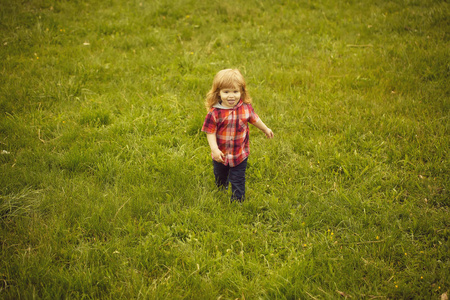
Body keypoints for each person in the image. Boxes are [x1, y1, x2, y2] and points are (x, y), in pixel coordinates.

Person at [201, 69, 274, 202]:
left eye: (235, 92)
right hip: (221, 154)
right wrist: (214, 149)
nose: (231, 96)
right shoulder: (215, 112)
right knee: (220, 174)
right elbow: (210, 131)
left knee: (238, 178)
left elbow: (254, 119)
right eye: (226, 92)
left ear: (241, 92)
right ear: (218, 93)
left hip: (240, 153)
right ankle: (221, 187)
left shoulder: (245, 108)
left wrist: (265, 129)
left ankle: (237, 202)